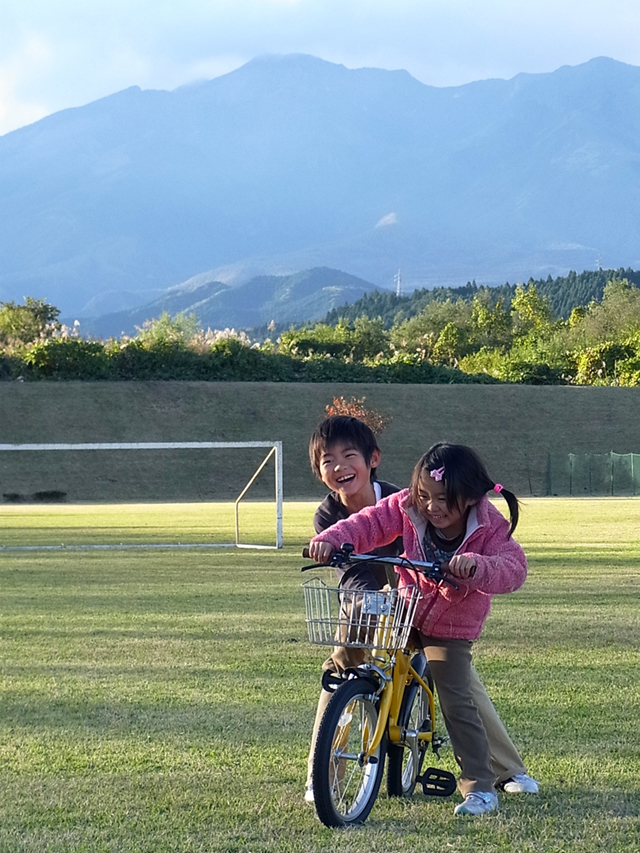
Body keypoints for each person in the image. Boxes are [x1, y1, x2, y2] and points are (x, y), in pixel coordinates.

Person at [308, 440, 534, 816]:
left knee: (456, 698)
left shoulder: (488, 524)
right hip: (407, 607)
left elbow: (514, 568)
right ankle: (340, 730)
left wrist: (477, 566)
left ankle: (480, 788)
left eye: (444, 499)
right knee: (353, 643)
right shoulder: (407, 507)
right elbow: (369, 522)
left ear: (469, 496)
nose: (432, 507)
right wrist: (329, 540)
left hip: (451, 625)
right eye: (425, 496)